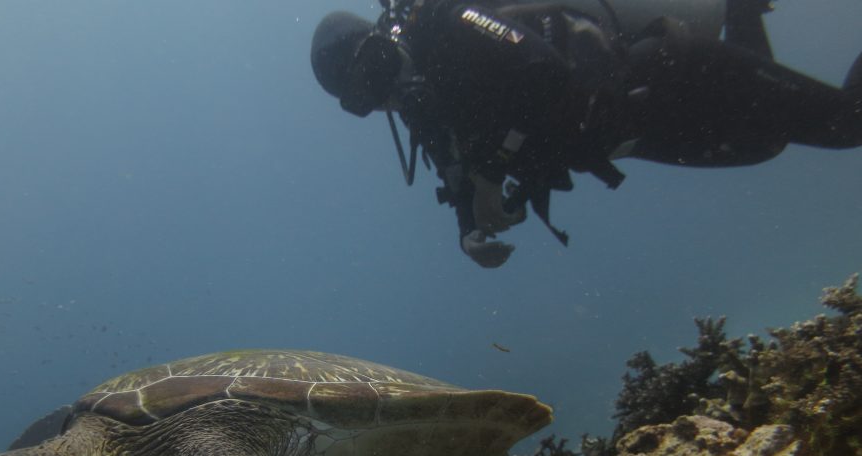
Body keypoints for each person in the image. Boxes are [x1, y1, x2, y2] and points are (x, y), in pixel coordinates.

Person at [311, 0, 862, 267]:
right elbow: (461, 183)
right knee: (766, 143)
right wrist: (468, 234)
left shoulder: (447, 22)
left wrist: (494, 169)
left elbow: (546, 70)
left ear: (385, 40)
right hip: (632, 136)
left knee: (845, 122)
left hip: (660, 74)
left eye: (376, 68)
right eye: (365, 97)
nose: (387, 92)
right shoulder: (426, 112)